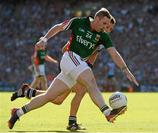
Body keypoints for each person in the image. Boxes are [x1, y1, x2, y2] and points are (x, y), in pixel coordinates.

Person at [8, 8, 138, 129]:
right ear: (97, 18)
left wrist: (125, 69)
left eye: (107, 26)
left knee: (51, 97)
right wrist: (44, 39)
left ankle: (18, 113)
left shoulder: (103, 36)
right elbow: (59, 27)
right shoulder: (78, 22)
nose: (105, 27)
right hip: (70, 57)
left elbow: (114, 53)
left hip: (75, 65)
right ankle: (107, 112)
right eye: (104, 23)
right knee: (90, 82)